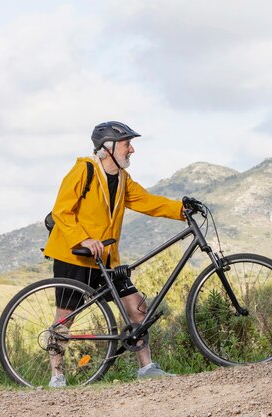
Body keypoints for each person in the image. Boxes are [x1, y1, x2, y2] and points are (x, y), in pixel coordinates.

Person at [43, 121, 184, 387]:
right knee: (65, 318)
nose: (132, 150)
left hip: (106, 259)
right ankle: (57, 376)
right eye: (127, 144)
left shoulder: (122, 179)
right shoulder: (83, 170)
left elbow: (147, 201)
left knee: (137, 308)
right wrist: (83, 237)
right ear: (108, 148)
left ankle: (147, 368)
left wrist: (181, 210)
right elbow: (62, 210)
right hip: (74, 255)